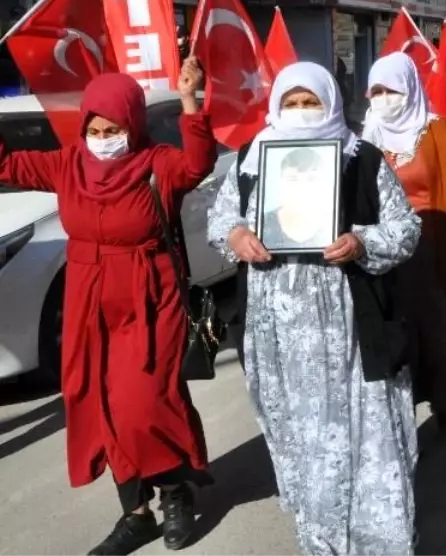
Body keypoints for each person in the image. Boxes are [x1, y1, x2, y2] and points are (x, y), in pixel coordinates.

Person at [207, 62, 424, 556]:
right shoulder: (250, 159)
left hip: (350, 321)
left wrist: (361, 242)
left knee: (369, 433)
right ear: (276, 105)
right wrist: (237, 237)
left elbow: (406, 228)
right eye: (292, 102)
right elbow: (223, 222)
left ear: (330, 103)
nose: (302, 113)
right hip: (278, 328)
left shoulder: (362, 159)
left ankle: (380, 543)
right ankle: (321, 543)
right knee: (304, 440)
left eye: (312, 103)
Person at [0, 60, 214, 556]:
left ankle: (175, 493)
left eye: (113, 129)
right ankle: (135, 513)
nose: (102, 137)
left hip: (147, 296)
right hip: (87, 299)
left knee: (147, 401)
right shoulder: (68, 163)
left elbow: (197, 164)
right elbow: (7, 165)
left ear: (132, 125)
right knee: (98, 402)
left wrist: (189, 103)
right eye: (94, 128)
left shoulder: (157, 162)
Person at [360, 52, 446, 432]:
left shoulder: (434, 129)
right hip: (385, 254)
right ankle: (401, 411)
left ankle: (444, 399)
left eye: (392, 90)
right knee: (395, 331)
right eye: (377, 91)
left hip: (432, 251)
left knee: (438, 331)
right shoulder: (365, 137)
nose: (384, 98)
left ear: (410, 90)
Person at [259, 146, 336, 250]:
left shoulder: (335, 221)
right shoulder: (263, 223)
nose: (302, 187)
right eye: (292, 179)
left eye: (312, 178)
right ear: (279, 183)